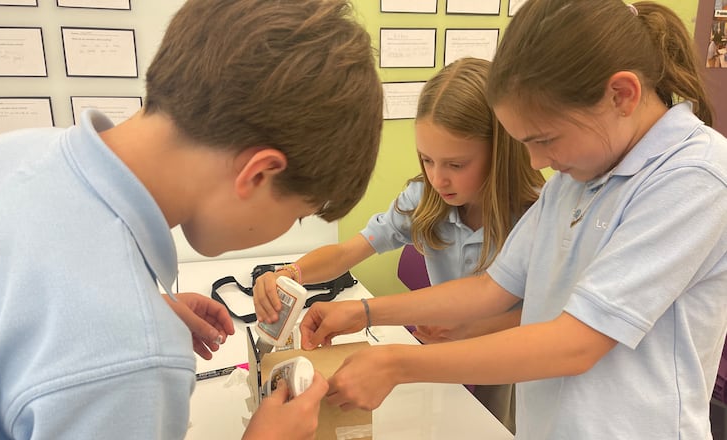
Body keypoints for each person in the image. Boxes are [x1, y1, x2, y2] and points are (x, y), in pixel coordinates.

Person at [0, 0, 383, 438]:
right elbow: (105, 351)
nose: (291, 228)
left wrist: (140, 305)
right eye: (300, 216)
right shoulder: (134, 356)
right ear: (259, 174)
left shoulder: (7, 152)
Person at [298, 1, 727, 439]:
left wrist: (397, 364)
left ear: (621, 96)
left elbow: (576, 344)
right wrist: (362, 313)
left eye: (545, 139)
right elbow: (490, 288)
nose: (538, 160)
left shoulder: (694, 177)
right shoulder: (576, 177)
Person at [253, 57, 545, 433]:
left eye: (456, 164)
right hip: (445, 359)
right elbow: (346, 252)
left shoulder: (538, 216)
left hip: (512, 366)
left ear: (501, 153)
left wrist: (470, 330)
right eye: (427, 160)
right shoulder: (424, 198)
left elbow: (549, 317)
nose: (438, 178)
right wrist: (289, 274)